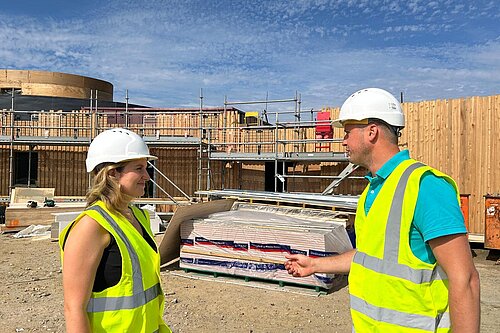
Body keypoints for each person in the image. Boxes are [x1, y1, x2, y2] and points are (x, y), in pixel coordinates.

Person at [285, 88, 480, 332]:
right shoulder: (373, 190)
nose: (343, 141)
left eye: (347, 132)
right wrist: (315, 265)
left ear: (372, 132)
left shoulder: (426, 186)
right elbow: (369, 257)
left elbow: (466, 280)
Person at [59, 128, 171, 333]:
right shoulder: (91, 226)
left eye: (146, 168)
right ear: (112, 173)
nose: (147, 176)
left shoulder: (139, 217)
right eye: (139, 168)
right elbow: (74, 309)